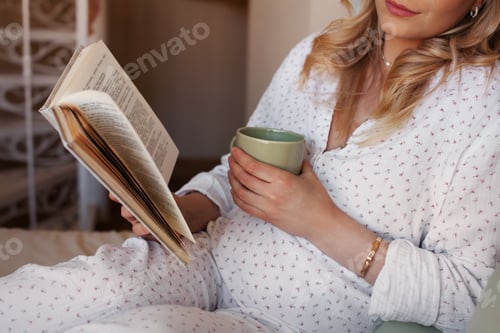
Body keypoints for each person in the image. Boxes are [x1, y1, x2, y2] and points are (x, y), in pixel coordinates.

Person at [1, 0, 498, 332]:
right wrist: (184, 207)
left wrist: (318, 221)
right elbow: (231, 170)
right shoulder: (317, 55)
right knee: (31, 298)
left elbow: (470, 299)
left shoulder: (481, 104)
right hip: (203, 260)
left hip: (282, 321)